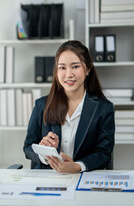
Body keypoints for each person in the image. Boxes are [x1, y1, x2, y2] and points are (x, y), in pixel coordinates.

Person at [23, 40, 115, 173]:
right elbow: (28, 147)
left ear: (88, 69)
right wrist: (46, 154)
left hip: (84, 178)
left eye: (75, 66)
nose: (68, 74)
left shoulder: (103, 109)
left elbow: (104, 153)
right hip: (48, 178)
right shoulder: (42, 105)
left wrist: (77, 166)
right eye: (62, 67)